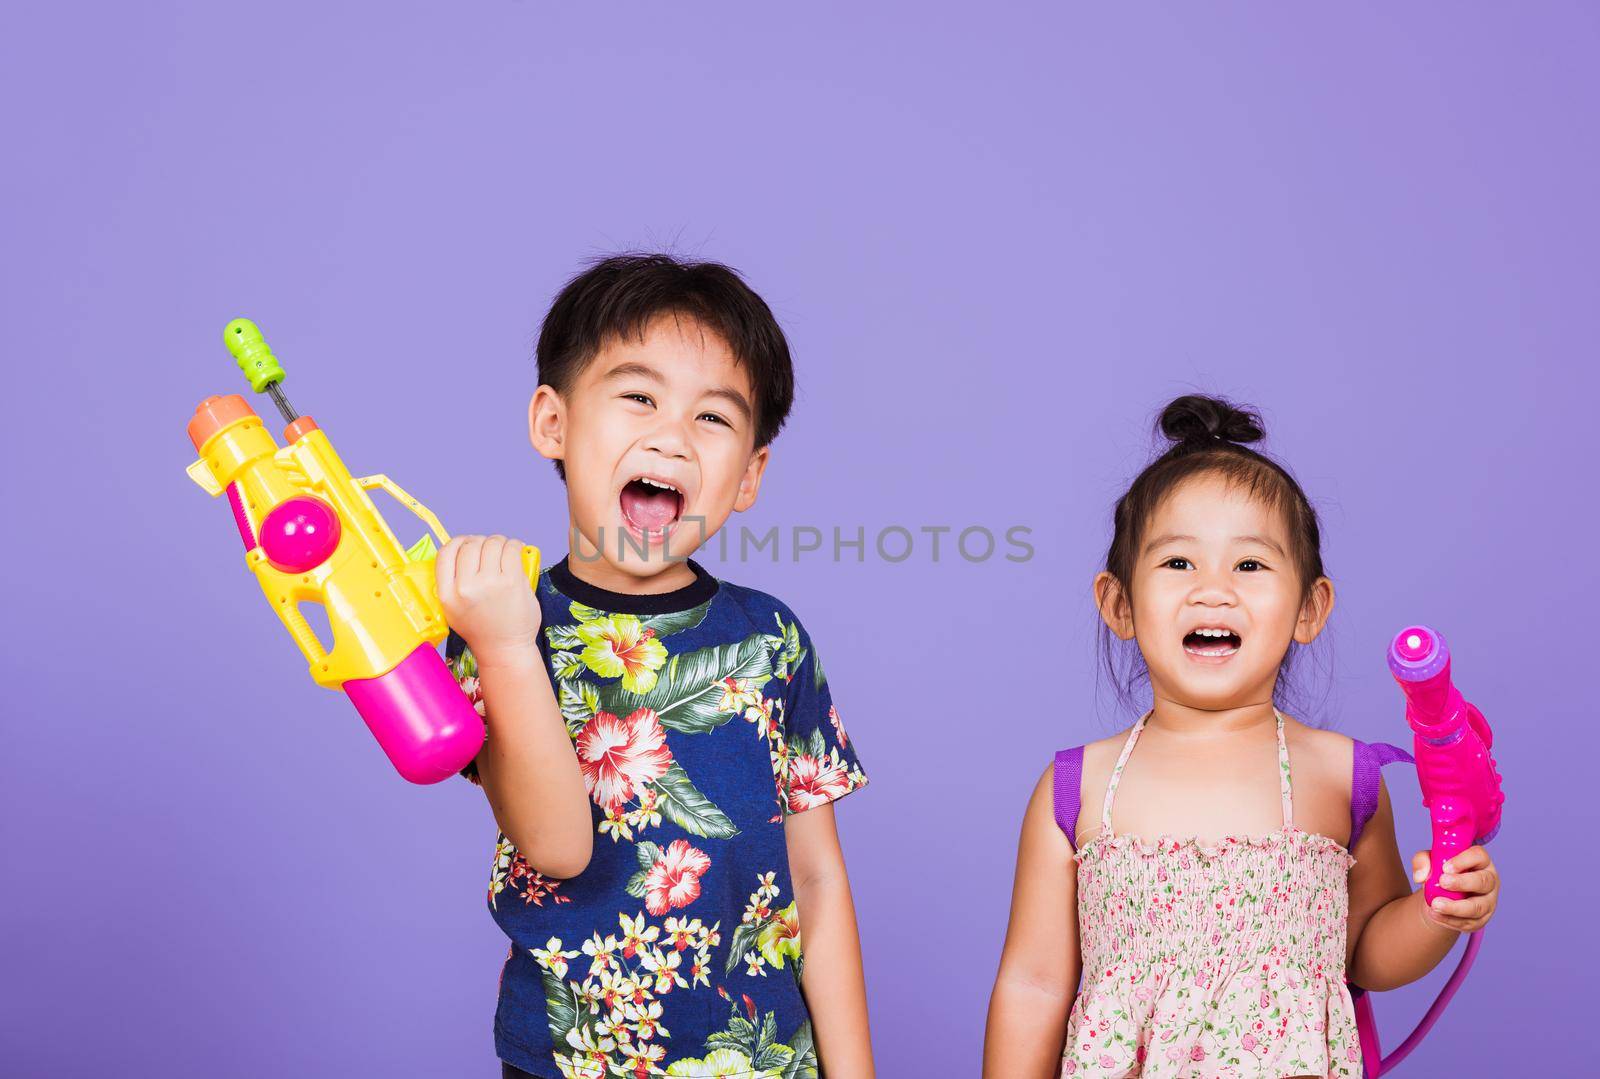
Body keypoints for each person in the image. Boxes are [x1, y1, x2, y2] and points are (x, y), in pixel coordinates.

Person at [438, 254, 873, 1078]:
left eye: (713, 417)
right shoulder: (499, 630)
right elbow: (558, 846)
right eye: (638, 396)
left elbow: (816, 881)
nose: (670, 435)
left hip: (764, 1061)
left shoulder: (769, 640)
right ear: (552, 422)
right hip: (567, 1061)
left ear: (750, 475)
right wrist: (500, 643)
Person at [983, 395, 1501, 1078]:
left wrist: (1437, 915)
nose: (1213, 591)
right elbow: (1034, 983)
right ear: (1119, 603)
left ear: (1309, 607)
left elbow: (1367, 951)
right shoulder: (1081, 787)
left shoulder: (1341, 773)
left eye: (1250, 566)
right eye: (1177, 564)